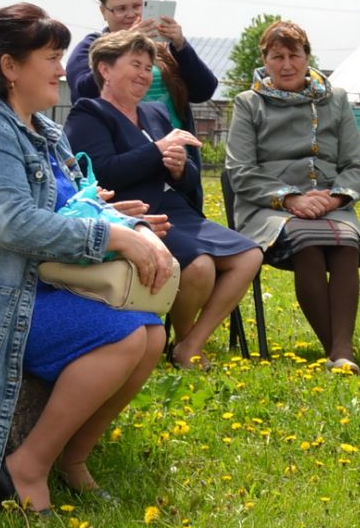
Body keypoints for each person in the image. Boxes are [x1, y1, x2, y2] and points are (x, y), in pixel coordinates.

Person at [0, 4, 175, 512]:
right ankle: (26, 468)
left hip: (18, 281)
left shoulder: (41, 129)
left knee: (151, 333)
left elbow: (76, 203)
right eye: (51, 56)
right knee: (125, 336)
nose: (64, 69)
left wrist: (129, 227)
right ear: (9, 67)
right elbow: (14, 224)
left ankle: (72, 459)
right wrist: (115, 238)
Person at [66, 30, 262, 370]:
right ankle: (187, 348)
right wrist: (157, 151)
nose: (144, 74)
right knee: (199, 267)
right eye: (135, 65)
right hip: (133, 215)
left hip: (177, 210)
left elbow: (188, 178)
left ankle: (190, 344)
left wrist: (178, 168)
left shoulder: (156, 113)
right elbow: (103, 173)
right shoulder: (89, 113)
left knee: (249, 255)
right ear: (105, 69)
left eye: (148, 67)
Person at [224, 20, 360, 373]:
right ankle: (339, 351)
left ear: (308, 58)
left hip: (328, 201)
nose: (287, 65)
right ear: (265, 59)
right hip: (270, 207)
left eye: (294, 55)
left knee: (345, 245)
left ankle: (342, 353)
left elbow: (356, 163)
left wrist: (335, 199)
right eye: (277, 56)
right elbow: (240, 170)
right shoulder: (249, 103)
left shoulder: (335, 100)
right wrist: (291, 199)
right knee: (307, 243)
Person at [64, 0, 217, 129]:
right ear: (104, 12)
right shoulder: (91, 47)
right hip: (121, 146)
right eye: (121, 9)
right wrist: (125, 43)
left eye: (137, 6)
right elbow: (82, 93)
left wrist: (181, 46)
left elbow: (203, 91)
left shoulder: (162, 48)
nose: (131, 14)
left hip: (175, 147)